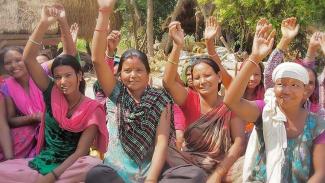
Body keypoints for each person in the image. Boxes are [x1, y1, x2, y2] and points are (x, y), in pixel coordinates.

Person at [86, 1, 205, 183]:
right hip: (118, 171)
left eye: (139, 70)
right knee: (96, 175)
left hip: (152, 172)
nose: (133, 75)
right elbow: (97, 60)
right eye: (127, 71)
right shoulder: (117, 94)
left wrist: (150, 180)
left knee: (195, 176)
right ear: (119, 74)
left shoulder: (160, 100)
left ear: (148, 73)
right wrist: (104, 12)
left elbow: (161, 143)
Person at [0, 4, 108, 182]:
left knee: (92, 165)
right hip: (44, 161)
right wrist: (43, 23)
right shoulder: (51, 92)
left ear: (80, 76)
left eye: (68, 75)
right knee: (3, 170)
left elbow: (81, 151)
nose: (63, 81)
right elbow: (27, 59)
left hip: (73, 164)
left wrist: (52, 176)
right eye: (58, 77)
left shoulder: (92, 109)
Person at [224, 20, 325, 182]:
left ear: (306, 90)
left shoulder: (318, 123)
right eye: (281, 84)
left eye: (294, 85)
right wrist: (254, 57)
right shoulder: (265, 110)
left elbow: (320, 173)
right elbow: (231, 101)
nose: (286, 90)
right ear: (273, 87)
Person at [163, 17, 245, 183]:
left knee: (245, 167)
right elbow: (168, 82)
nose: (202, 81)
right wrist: (178, 46)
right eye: (197, 77)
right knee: (164, 148)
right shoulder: (188, 97)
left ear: (219, 77)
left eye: (207, 75)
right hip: (191, 162)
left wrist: (218, 175)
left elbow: (239, 142)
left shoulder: (230, 104)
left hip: (222, 165)